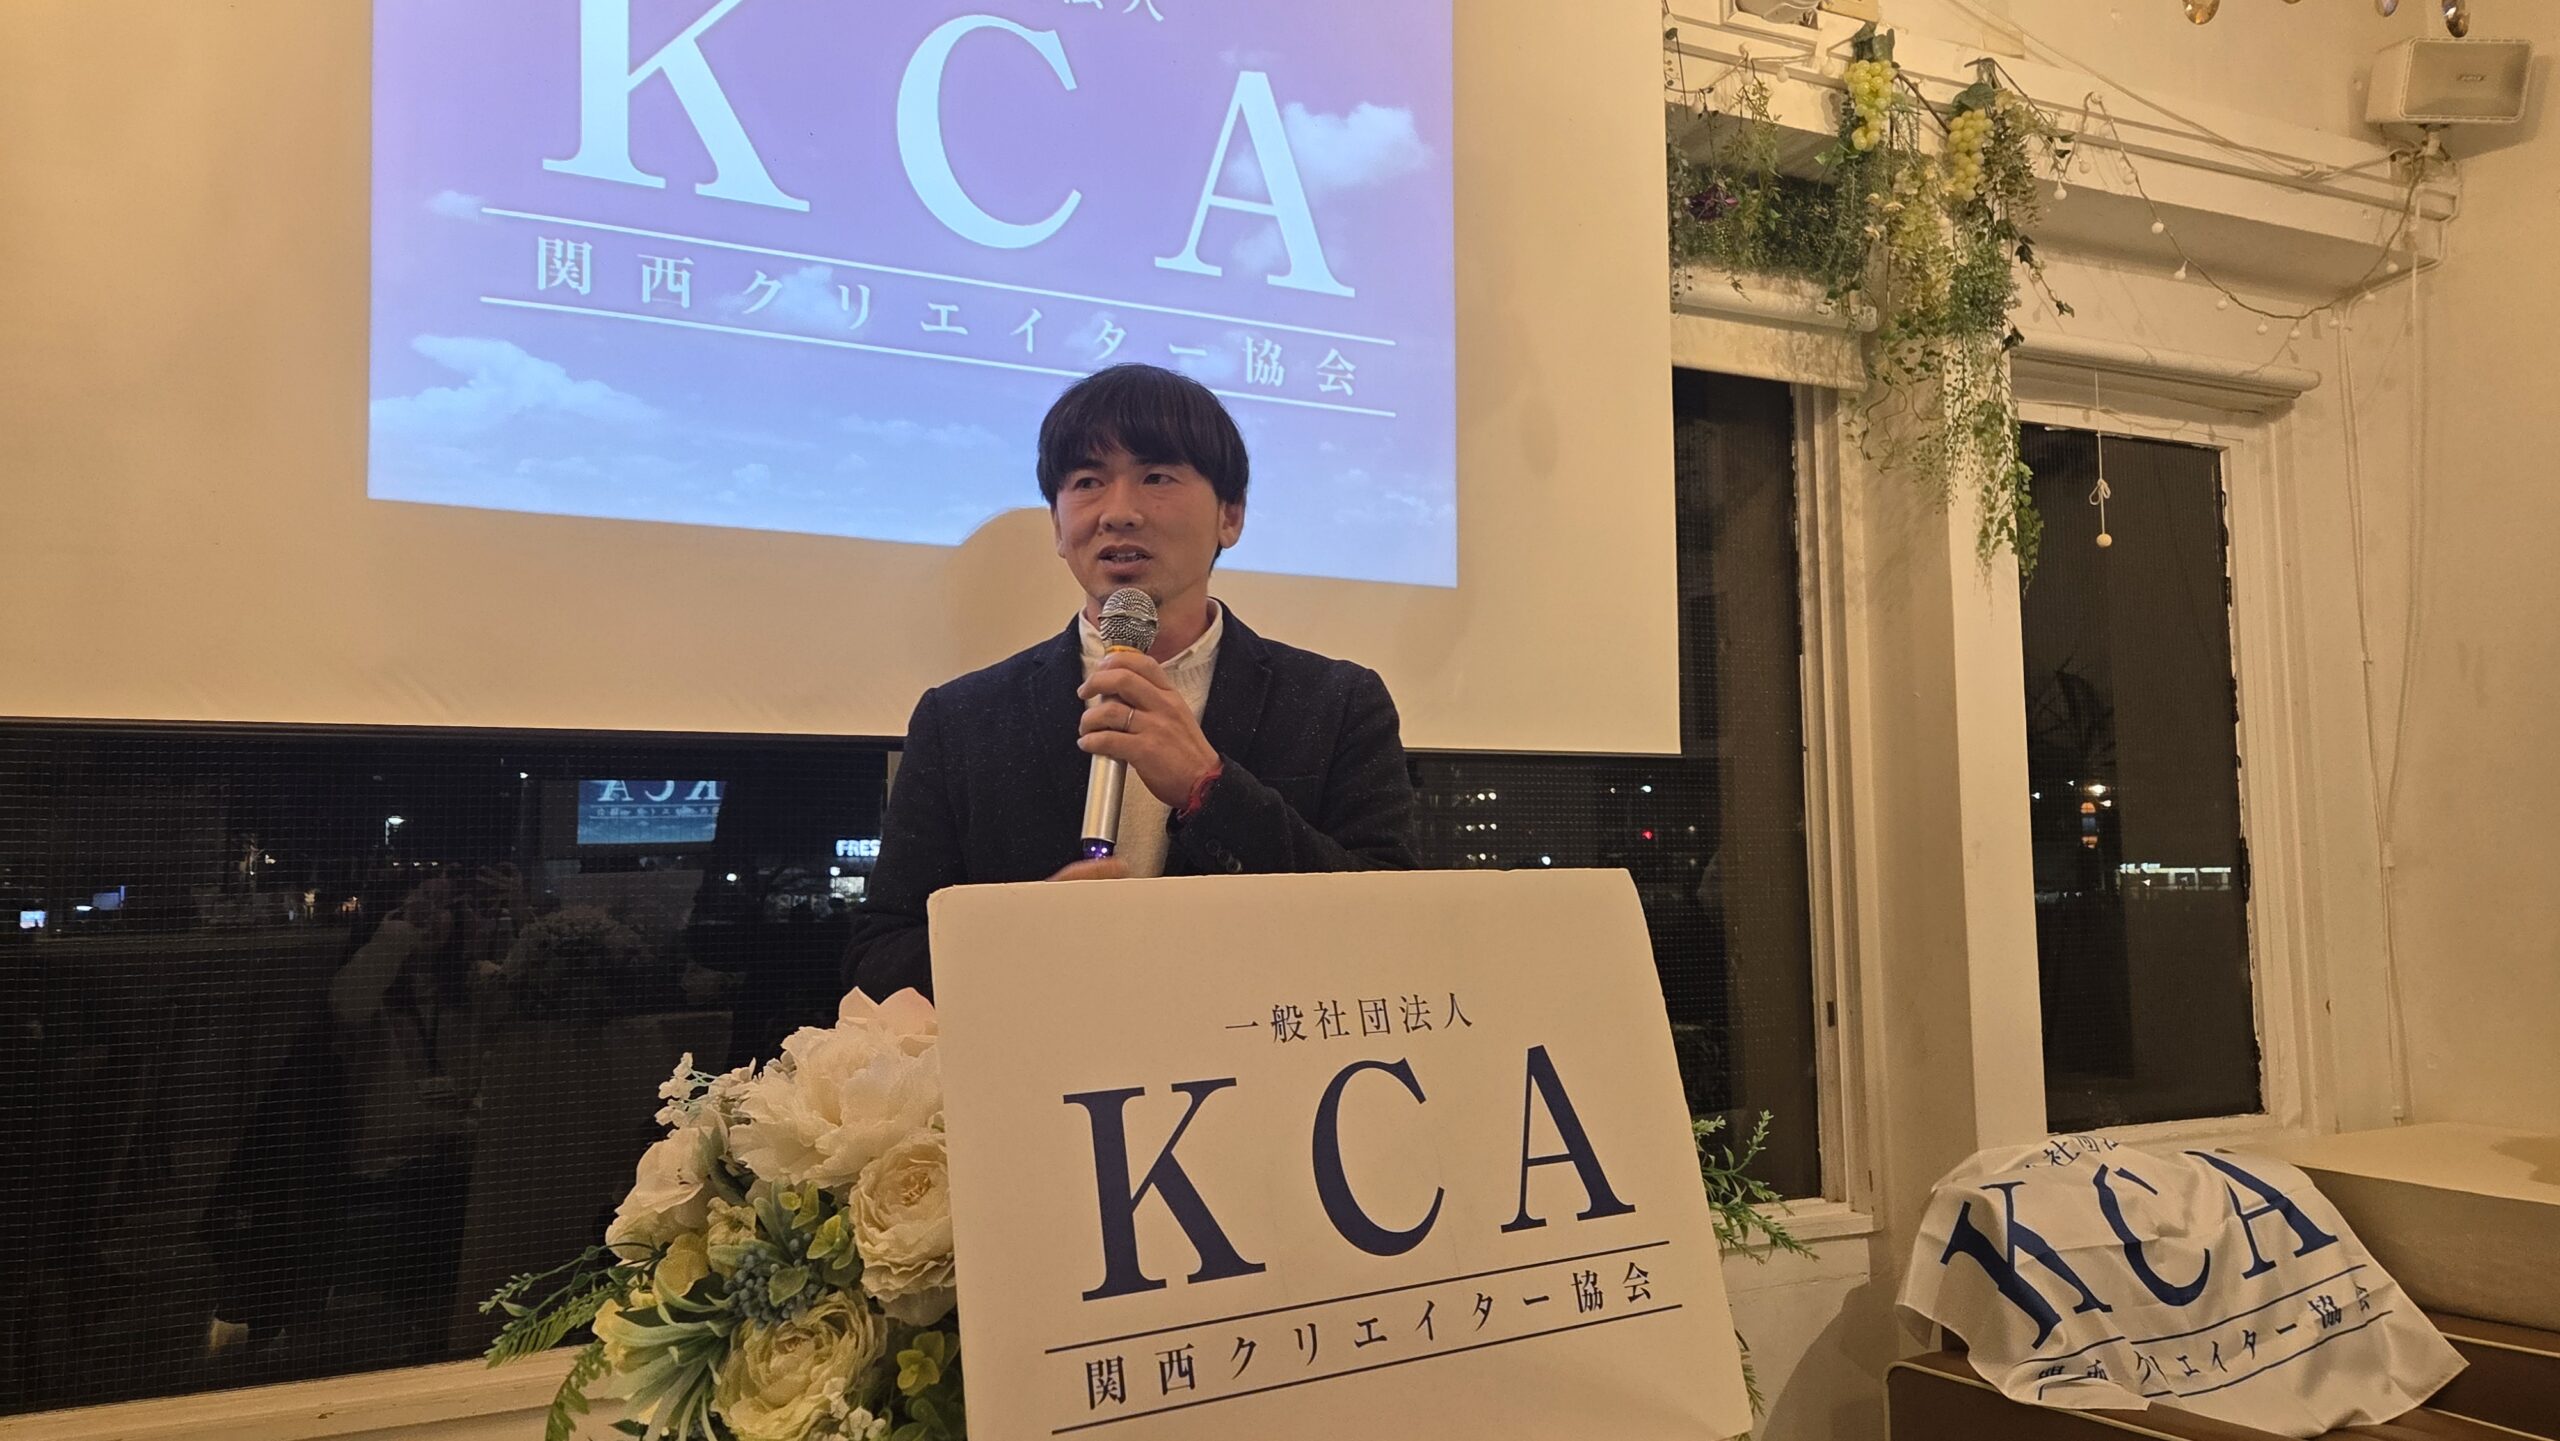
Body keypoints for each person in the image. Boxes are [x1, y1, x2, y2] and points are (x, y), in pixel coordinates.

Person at [843, 364, 1417, 1000]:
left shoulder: (1337, 703)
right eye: (1087, 482)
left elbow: (1393, 926)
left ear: (1230, 515)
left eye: (1157, 477)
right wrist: (1020, 937)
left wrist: (1210, 790)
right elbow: (879, 958)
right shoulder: (959, 720)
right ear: (1058, 526)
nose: (1118, 512)